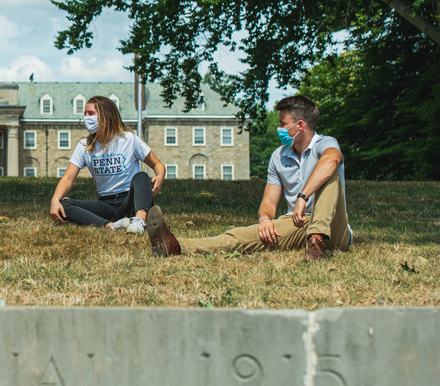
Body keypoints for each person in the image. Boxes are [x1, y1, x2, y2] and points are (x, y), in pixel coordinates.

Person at [147, 95, 353, 262]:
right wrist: (264, 220)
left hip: (333, 228)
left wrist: (303, 197)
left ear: (300, 125)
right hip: (297, 224)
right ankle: (176, 246)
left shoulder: (325, 143)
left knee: (329, 170)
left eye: (283, 124)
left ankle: (316, 242)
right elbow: (269, 203)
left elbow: (332, 161)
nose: (279, 129)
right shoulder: (278, 156)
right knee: (244, 235)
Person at [50, 95, 167, 233]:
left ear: (107, 116)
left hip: (131, 200)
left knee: (141, 176)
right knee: (65, 204)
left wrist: (160, 175)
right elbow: (68, 178)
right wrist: (55, 200)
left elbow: (157, 164)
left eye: (91, 113)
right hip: (106, 204)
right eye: (85, 114)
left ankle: (139, 220)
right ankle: (111, 225)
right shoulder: (84, 146)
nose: (86, 118)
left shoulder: (129, 139)